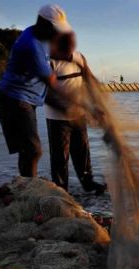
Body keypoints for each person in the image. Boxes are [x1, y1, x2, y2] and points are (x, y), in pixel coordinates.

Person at [0, 4, 76, 177]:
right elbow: (51, 81)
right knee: (33, 150)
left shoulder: (39, 35)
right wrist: (78, 103)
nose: (59, 33)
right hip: (14, 99)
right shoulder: (30, 44)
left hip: (25, 98)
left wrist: (69, 57)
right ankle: (30, 189)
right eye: (57, 28)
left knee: (28, 149)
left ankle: (25, 183)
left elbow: (52, 53)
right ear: (44, 23)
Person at [44, 32, 106, 194]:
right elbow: (47, 95)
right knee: (60, 156)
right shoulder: (49, 63)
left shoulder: (79, 58)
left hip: (79, 116)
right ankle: (61, 190)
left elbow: (90, 81)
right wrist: (69, 108)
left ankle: (88, 183)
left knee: (83, 151)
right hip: (57, 119)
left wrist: (97, 104)